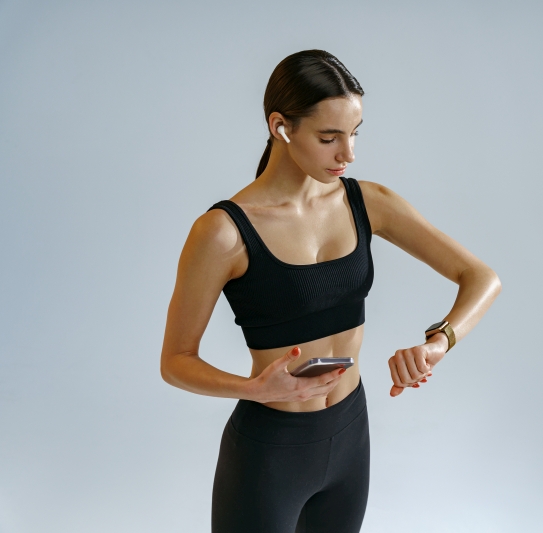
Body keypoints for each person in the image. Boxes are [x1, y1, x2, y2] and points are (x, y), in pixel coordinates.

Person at [160, 49, 501, 533]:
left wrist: (437, 342)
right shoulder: (223, 232)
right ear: (281, 127)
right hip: (270, 453)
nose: (349, 154)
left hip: (349, 435)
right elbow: (175, 361)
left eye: (354, 134)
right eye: (329, 137)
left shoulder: (368, 202)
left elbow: (482, 277)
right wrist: (253, 388)